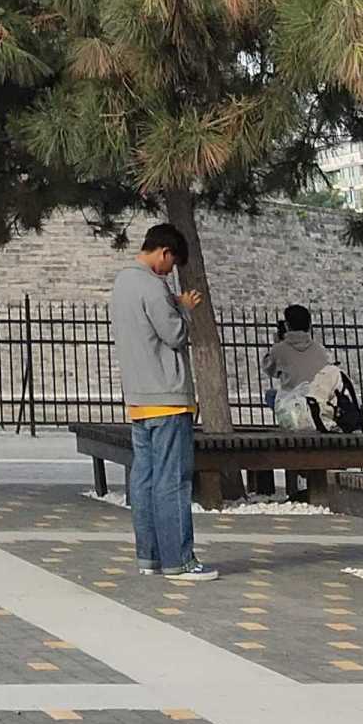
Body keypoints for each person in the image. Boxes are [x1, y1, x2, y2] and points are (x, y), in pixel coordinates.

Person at [109, 224, 218, 580]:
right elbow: (173, 334)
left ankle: (150, 556)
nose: (170, 271)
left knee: (144, 480)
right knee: (173, 481)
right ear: (164, 252)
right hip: (167, 397)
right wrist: (184, 309)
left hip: (138, 398)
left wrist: (174, 304)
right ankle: (179, 560)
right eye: (172, 263)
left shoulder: (122, 282)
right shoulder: (153, 286)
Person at [262, 305, 340, 427]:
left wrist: (276, 344)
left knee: (270, 394)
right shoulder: (319, 349)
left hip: (292, 405)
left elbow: (269, 369)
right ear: (309, 326)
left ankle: (290, 422)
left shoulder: (279, 349)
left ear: (287, 326)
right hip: (318, 404)